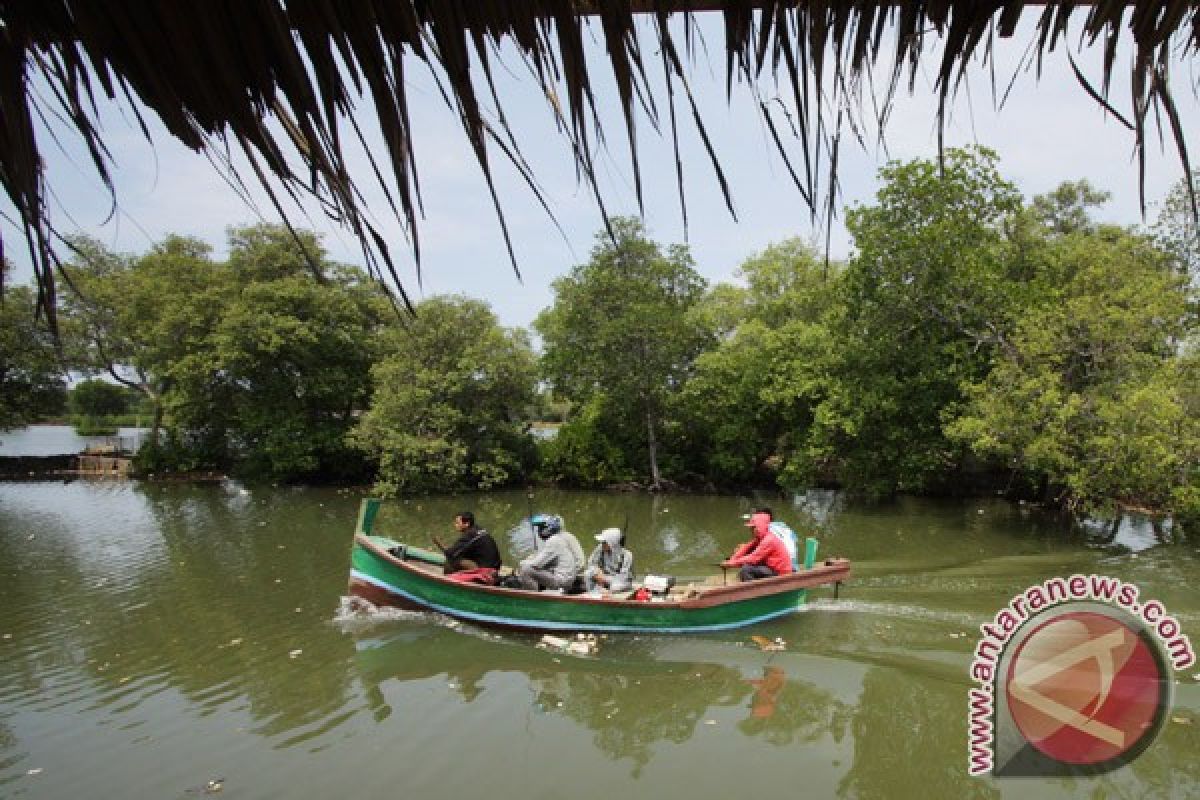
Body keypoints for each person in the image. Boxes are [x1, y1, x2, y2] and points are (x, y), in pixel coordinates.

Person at [517, 514, 585, 591]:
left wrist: (524, 562)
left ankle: (534, 598)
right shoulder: (563, 536)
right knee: (535, 567)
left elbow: (536, 564)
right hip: (569, 574)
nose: (539, 531)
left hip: (566, 578)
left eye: (541, 528)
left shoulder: (554, 540)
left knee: (525, 570)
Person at [722, 511, 794, 581]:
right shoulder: (761, 538)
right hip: (772, 568)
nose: (751, 530)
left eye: (753, 528)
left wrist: (731, 564)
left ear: (759, 527)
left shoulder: (768, 540)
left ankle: (754, 590)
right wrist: (731, 560)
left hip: (781, 573)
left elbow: (753, 558)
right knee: (745, 557)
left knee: (746, 570)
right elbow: (745, 548)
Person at [434, 511, 502, 574]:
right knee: (461, 555)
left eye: (457, 523)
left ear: (467, 524)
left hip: (486, 571)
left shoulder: (469, 535)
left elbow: (450, 553)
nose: (455, 525)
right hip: (495, 568)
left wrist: (438, 543)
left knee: (451, 561)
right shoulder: (479, 529)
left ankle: (447, 582)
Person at [585, 527, 634, 593]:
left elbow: (623, 577)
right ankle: (592, 593)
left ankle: (607, 594)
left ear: (612, 542)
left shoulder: (627, 555)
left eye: (604, 542)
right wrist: (597, 572)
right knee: (588, 573)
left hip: (620, 581)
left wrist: (605, 581)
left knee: (616, 586)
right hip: (605, 576)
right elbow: (591, 563)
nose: (602, 544)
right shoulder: (600, 548)